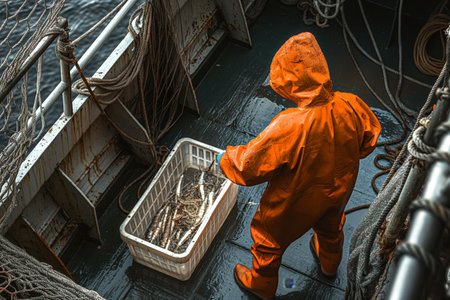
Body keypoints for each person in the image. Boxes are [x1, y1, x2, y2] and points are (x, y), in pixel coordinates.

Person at [216, 32, 381, 299]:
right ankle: (329, 264)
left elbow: (249, 166)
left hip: (294, 201)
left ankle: (262, 285)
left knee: (269, 240)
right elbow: (370, 137)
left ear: (288, 81)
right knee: (331, 226)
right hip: (338, 190)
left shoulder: (289, 125)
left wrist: (224, 159)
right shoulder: (350, 103)